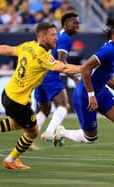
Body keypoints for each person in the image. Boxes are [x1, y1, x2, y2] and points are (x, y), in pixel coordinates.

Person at [0, 22, 80, 170]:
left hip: (8, 94)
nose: (56, 38)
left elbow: (8, 50)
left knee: (18, 124)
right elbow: (63, 67)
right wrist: (86, 68)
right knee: (33, 132)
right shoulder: (43, 55)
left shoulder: (28, 45)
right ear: (43, 36)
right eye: (53, 35)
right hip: (18, 102)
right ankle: (11, 159)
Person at [53, 23, 114, 170]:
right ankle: (62, 132)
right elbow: (85, 68)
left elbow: (106, 76)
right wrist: (91, 95)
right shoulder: (108, 51)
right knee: (90, 139)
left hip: (100, 92)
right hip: (85, 95)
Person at [34, 12, 80, 143]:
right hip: (50, 74)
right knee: (63, 105)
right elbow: (61, 61)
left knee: (44, 110)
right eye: (74, 23)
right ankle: (49, 132)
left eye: (78, 23)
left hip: (40, 74)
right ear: (65, 24)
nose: (77, 25)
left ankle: (28, 139)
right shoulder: (65, 38)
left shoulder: (58, 36)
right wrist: (75, 78)